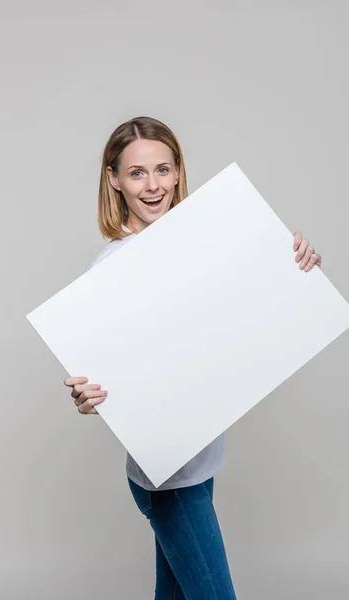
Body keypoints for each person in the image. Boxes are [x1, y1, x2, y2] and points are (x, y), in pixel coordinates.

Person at [63, 116, 322, 599]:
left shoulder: (203, 245)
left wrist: (297, 263)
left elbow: (251, 306)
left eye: (163, 169)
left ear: (179, 172)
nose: (153, 184)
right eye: (137, 173)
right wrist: (89, 397)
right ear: (114, 179)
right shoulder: (113, 268)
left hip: (201, 464)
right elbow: (100, 378)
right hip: (169, 479)